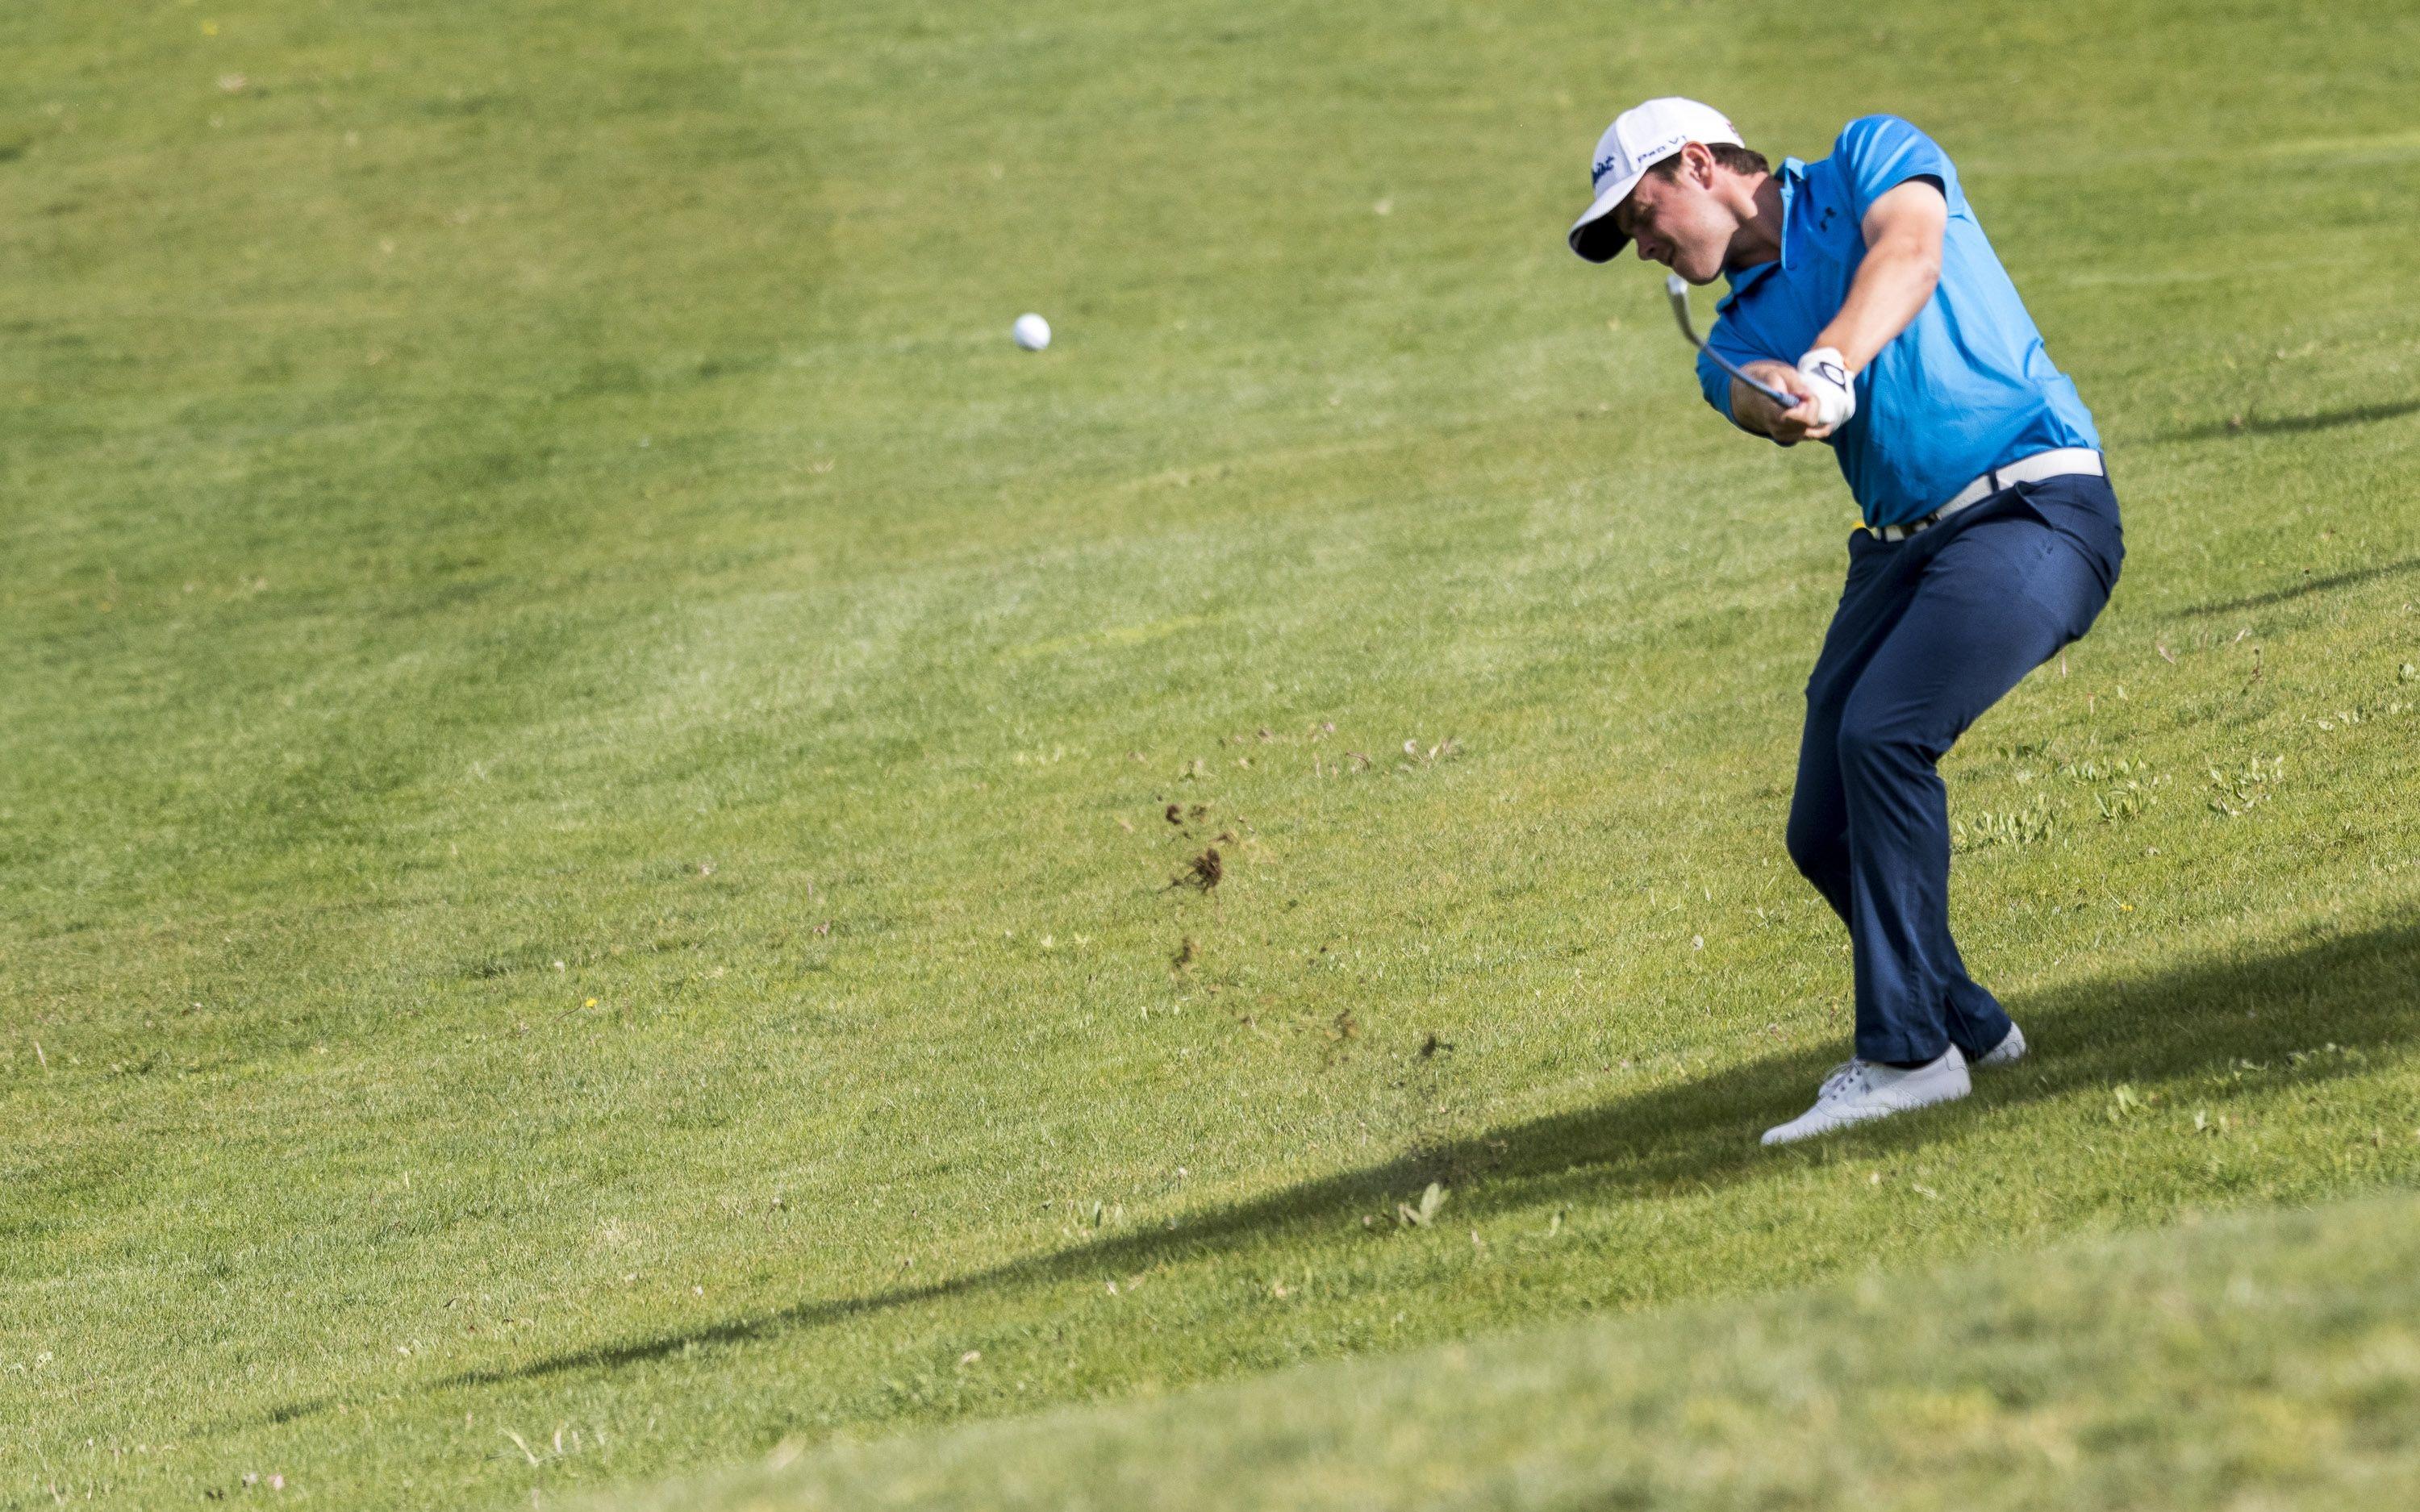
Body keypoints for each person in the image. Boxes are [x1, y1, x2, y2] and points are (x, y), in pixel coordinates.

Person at [1565, 98, 2125, 1145]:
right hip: (1905, 552)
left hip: (2038, 502)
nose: (1639, 247)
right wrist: (1782, 393)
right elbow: (1753, 396)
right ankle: (1968, 1025)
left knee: (1886, 734)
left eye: (1639, 215)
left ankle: (1907, 1056)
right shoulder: (1728, 334)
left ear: (1696, 164)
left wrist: (1832, 361)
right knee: (1820, 827)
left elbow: (1909, 254)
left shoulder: (1871, 155)